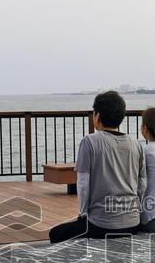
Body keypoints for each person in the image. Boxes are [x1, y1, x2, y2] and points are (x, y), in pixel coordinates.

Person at [48, 91, 146, 244]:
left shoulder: (90, 141)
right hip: (132, 223)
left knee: (55, 234)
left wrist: (82, 213)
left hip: (101, 225)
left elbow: (83, 183)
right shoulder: (135, 144)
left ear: (97, 116)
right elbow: (142, 184)